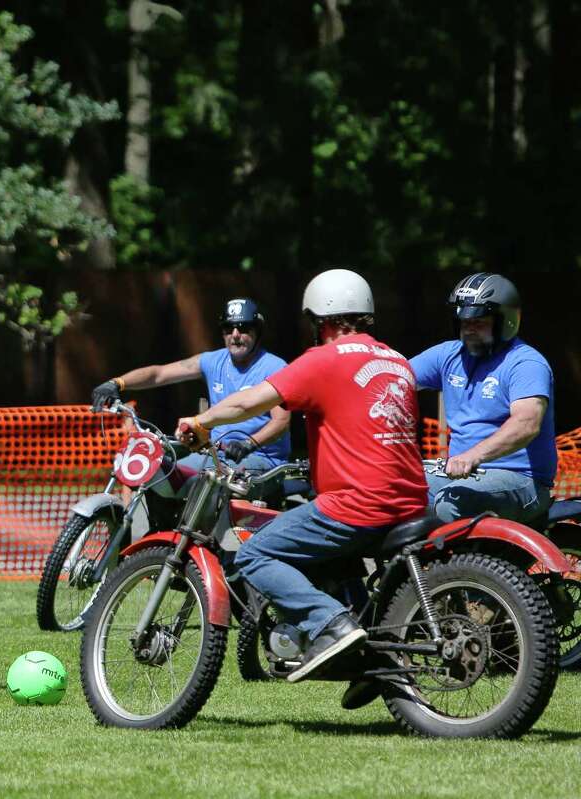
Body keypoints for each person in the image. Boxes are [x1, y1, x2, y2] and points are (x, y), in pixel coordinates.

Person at [177, 269, 426, 683]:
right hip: (411, 500)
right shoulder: (395, 359)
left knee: (254, 554)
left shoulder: (322, 361)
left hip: (357, 503)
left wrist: (201, 421)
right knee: (338, 563)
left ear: (322, 319)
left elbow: (249, 404)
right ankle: (371, 665)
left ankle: (332, 625)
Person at [409, 273, 556, 525]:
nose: (469, 329)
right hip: (460, 475)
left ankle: (462, 566)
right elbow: (391, 379)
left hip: (521, 479)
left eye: (479, 321)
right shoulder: (449, 355)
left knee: (452, 501)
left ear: (505, 321)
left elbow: (526, 424)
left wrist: (472, 456)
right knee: (390, 488)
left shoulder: (525, 363)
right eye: (464, 322)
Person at [91, 297, 291, 472]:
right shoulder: (212, 361)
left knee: (208, 487)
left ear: (257, 332)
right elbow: (159, 374)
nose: (235, 334)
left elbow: (281, 422)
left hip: (261, 458)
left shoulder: (274, 367)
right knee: (166, 478)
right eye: (228, 328)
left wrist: (249, 443)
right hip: (216, 456)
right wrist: (118, 383)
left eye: (244, 328)